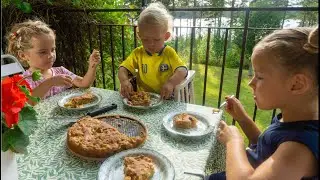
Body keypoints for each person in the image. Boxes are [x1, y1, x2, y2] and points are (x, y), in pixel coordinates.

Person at [208, 26, 318, 179]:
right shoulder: (291, 119)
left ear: (297, 84)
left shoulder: (298, 151)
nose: (251, 83)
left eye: (259, 77)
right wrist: (243, 119)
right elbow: (265, 148)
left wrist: (233, 141)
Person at [6, 19, 101, 103]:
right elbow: (29, 102)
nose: (51, 55)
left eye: (52, 49)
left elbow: (84, 84)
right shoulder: (24, 80)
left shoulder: (61, 71)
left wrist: (92, 66)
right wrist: (50, 82)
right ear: (23, 55)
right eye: (43, 52)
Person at [118, 2, 188, 100]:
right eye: (145, 40)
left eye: (156, 39)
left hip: (165, 99)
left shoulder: (168, 53)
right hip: (142, 99)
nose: (151, 44)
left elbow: (182, 70)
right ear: (139, 36)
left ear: (166, 36)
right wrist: (124, 81)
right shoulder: (137, 54)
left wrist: (171, 83)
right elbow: (122, 69)